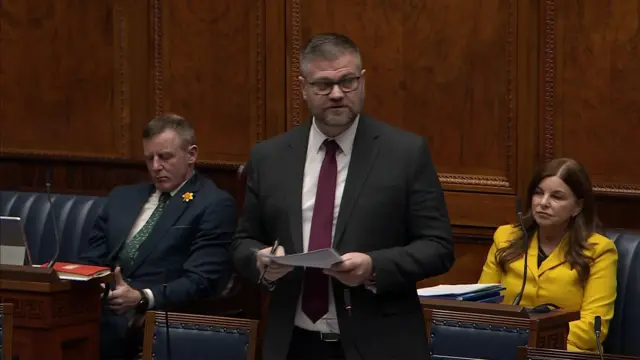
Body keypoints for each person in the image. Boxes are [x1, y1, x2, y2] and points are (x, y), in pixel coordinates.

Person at [230, 32, 454, 360]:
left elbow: (438, 247)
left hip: (380, 343)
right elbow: (242, 241)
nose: (337, 94)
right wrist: (259, 259)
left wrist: (375, 265)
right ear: (303, 88)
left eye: (347, 81)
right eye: (323, 85)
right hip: (292, 343)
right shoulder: (269, 157)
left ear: (362, 82)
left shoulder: (404, 153)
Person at [79, 114, 237, 360]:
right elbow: (92, 259)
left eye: (165, 157)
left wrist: (142, 298)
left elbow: (202, 280)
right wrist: (92, 285)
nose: (155, 167)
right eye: (149, 158)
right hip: (98, 310)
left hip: (154, 318)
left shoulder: (213, 204)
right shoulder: (122, 198)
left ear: (192, 155)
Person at [479, 157, 618, 352]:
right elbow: (482, 307)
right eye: (538, 193)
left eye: (557, 197)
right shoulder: (506, 237)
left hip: (565, 352)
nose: (543, 203)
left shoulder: (599, 251)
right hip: (504, 348)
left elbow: (593, 329)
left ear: (577, 207)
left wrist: (534, 337)